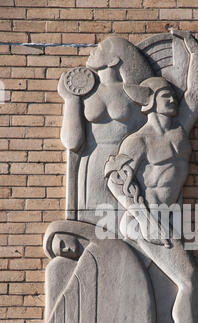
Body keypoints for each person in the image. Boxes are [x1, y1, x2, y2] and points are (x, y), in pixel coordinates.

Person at [105, 72, 198, 323]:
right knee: (191, 281)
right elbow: (116, 180)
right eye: (166, 95)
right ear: (148, 102)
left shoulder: (180, 132)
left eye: (174, 96)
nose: (174, 99)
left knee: (139, 294)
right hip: (144, 221)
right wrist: (145, 218)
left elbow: (195, 94)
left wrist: (193, 54)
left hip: (169, 220)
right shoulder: (138, 140)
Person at [58, 36, 153, 223]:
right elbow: (72, 142)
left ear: (113, 60)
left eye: (101, 48)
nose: (93, 50)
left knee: (127, 222)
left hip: (128, 163)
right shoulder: (83, 96)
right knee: (94, 221)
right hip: (92, 163)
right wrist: (70, 99)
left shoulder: (136, 92)